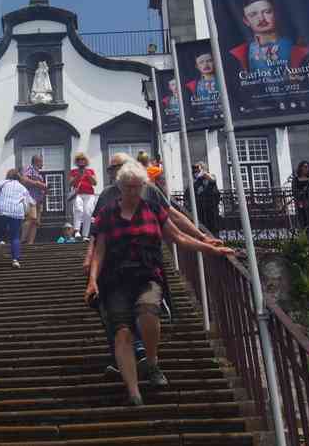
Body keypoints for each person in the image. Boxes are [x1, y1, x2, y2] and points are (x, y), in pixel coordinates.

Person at [86, 162, 235, 406]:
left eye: (137, 187)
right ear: (120, 187)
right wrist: (92, 281)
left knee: (148, 312)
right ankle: (134, 392)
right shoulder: (107, 214)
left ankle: (152, 364)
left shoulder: (153, 209)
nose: (133, 192)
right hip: (114, 280)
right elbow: (99, 250)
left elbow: (177, 237)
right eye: (128, 188)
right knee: (121, 332)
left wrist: (209, 247)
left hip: (147, 275)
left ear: (143, 186)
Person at [227, 0, 309, 74]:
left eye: (267, 12)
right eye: (253, 15)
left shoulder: (300, 49)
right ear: (246, 21)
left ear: (276, 14)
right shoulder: (237, 55)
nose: (261, 19)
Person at [0, 169, 31, 267]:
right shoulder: (23, 188)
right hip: (16, 211)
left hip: (1, 209)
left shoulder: (1, 184)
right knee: (15, 236)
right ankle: (15, 260)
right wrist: (25, 212)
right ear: (18, 177)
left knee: (0, 229)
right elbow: (26, 203)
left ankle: (1, 241)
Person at [19, 155, 47, 245]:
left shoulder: (39, 174)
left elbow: (40, 188)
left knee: (36, 223)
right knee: (31, 218)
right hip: (30, 198)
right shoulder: (29, 169)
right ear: (37, 161)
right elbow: (23, 179)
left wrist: (45, 190)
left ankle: (30, 243)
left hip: (39, 201)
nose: (42, 164)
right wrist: (37, 183)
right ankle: (22, 240)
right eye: (41, 162)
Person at [69, 153, 98, 240]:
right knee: (78, 209)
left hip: (89, 194)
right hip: (78, 194)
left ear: (86, 162)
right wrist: (78, 175)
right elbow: (71, 183)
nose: (81, 162)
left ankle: (85, 235)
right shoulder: (73, 171)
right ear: (76, 162)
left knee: (88, 213)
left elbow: (95, 183)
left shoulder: (90, 171)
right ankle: (77, 230)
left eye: (83, 160)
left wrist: (87, 174)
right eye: (79, 160)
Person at [187, 163, 220, 233]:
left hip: (211, 211)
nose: (196, 173)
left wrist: (203, 172)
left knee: (213, 231)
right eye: (194, 171)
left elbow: (212, 179)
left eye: (197, 170)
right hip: (200, 211)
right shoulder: (195, 182)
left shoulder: (210, 177)